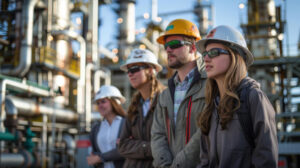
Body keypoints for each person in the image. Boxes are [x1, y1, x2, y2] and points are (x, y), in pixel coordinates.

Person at [196, 25, 278, 167]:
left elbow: (266, 160)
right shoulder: (210, 106)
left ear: (235, 56)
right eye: (204, 54)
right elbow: (205, 161)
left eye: (214, 52)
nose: (206, 59)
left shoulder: (253, 98)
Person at [151, 18, 207, 167]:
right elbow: (157, 135)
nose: (168, 50)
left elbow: (205, 132)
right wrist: (165, 165)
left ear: (193, 47)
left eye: (174, 45)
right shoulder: (165, 95)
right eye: (166, 46)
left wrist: (179, 165)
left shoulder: (211, 84)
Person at [118, 48, 166, 168]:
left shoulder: (166, 100)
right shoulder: (134, 107)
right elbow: (122, 145)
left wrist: (135, 147)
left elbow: (169, 144)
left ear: (150, 71)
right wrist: (151, 147)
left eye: (134, 69)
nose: (130, 74)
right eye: (128, 70)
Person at [87, 85, 126, 168]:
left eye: (103, 101)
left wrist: (100, 158)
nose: (100, 105)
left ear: (114, 102)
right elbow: (95, 153)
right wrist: (95, 158)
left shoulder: (127, 124)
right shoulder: (96, 128)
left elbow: (127, 150)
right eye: (98, 103)